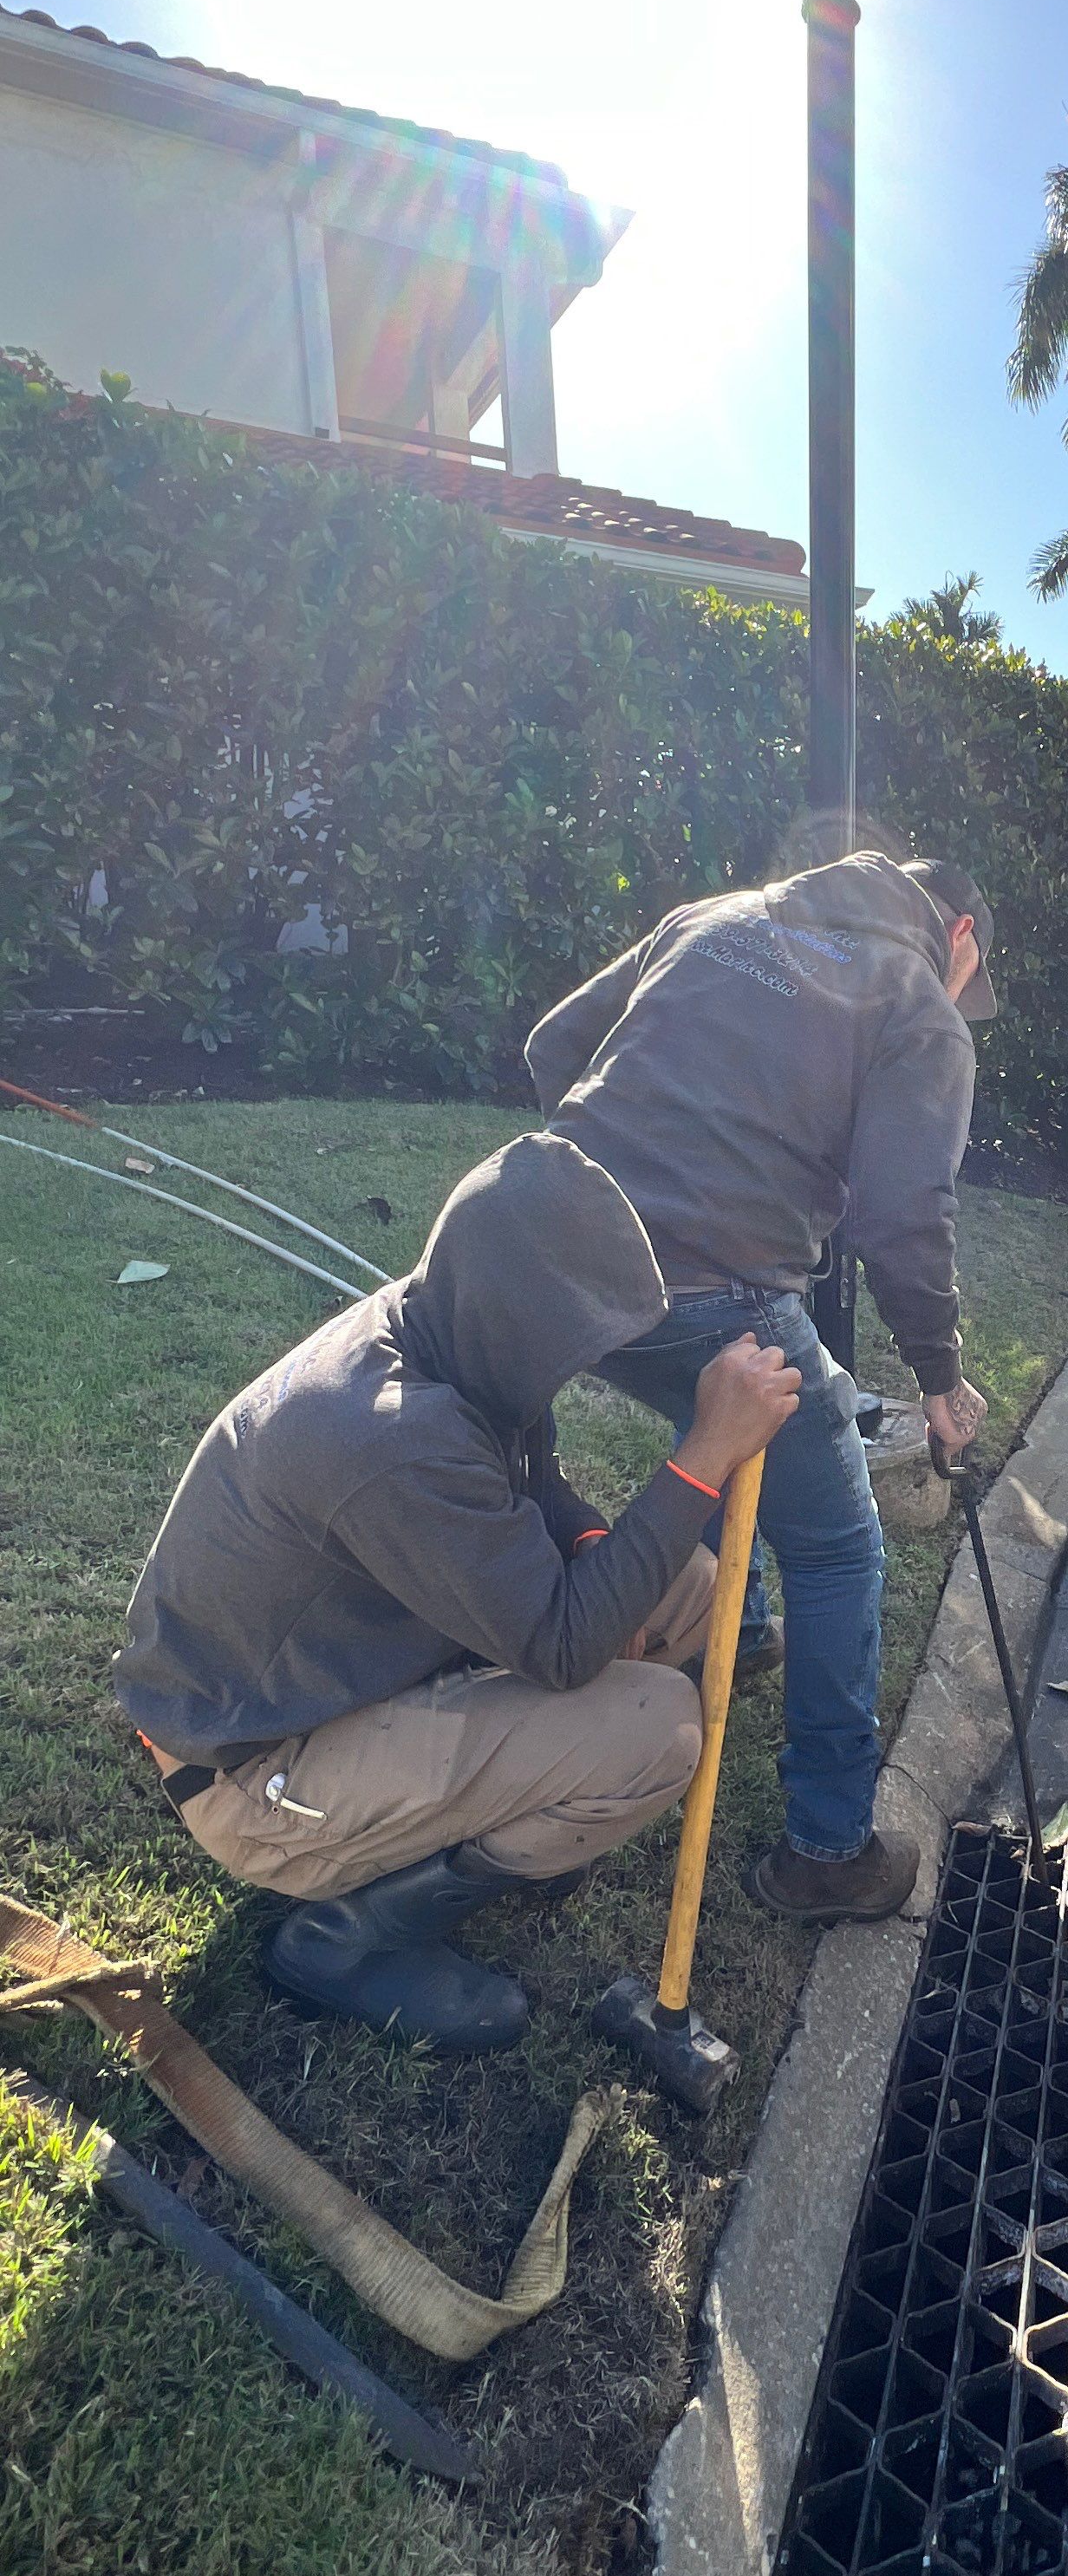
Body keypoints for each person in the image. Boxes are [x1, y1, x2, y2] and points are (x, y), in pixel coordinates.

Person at [113, 1132, 799, 2051]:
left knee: (692, 1590)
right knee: (657, 1731)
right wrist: (706, 1453)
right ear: (519, 1311)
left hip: (350, 1671)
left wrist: (593, 1540)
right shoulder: (393, 1436)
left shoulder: (458, 1330)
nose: (584, 1363)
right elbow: (561, 1646)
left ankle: (507, 1798)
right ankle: (345, 1940)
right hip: (254, 1770)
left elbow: (538, 1485)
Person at [524, 851, 998, 1924]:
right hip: (711, 1294)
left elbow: (552, 1044)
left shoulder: (713, 916)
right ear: (958, 936)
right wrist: (939, 1376)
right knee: (837, 1540)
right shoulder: (921, 1005)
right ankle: (829, 1851)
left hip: (553, 1250)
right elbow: (901, 1214)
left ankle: (748, 1632)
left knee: (789, 1399)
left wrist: (623, 1175)